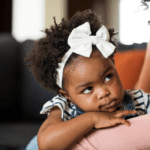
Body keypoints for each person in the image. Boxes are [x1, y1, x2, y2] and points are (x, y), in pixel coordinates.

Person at [25, 9, 150, 150]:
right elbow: (47, 143)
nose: (103, 92)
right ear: (67, 95)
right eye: (88, 89)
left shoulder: (139, 100)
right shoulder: (63, 107)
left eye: (108, 77)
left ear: (114, 68)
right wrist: (92, 119)